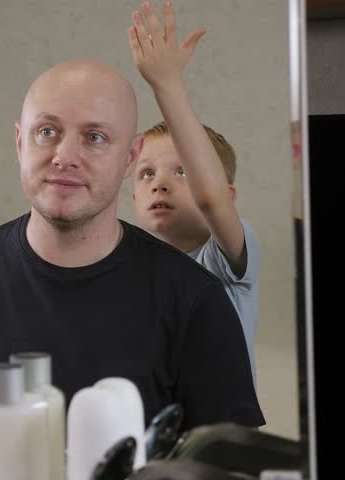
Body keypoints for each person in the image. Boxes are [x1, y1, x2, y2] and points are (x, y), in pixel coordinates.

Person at [0, 23, 264, 432]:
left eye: (94, 137)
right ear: (21, 143)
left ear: (129, 158)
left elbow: (228, 466)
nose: (64, 156)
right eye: (47, 132)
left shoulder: (195, 299)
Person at [127, 0, 260, 385]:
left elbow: (209, 199)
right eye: (146, 173)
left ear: (227, 194)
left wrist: (166, 84)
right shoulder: (131, 269)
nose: (159, 182)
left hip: (217, 436)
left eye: (181, 171)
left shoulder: (224, 260)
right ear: (134, 197)